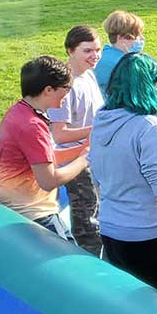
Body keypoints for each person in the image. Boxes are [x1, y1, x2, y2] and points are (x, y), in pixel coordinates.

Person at [90, 52, 157, 292]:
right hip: (150, 237)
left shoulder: (103, 121)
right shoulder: (149, 129)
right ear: (147, 87)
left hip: (112, 232)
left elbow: (96, 177)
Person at [0, 56, 90, 242]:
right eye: (66, 89)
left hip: (14, 206)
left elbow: (44, 159)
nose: (68, 94)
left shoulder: (18, 112)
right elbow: (49, 180)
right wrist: (85, 159)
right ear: (48, 90)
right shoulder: (32, 126)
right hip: (34, 213)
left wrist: (82, 149)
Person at [47, 25, 104, 256]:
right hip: (75, 160)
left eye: (98, 50)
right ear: (70, 51)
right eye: (87, 51)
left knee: (99, 211)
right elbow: (59, 134)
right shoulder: (64, 87)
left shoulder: (88, 75)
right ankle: (90, 262)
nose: (95, 56)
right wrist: (97, 129)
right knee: (86, 221)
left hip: (94, 153)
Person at [97, 10, 146, 92]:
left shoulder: (106, 53)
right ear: (121, 38)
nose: (142, 39)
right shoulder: (123, 63)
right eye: (137, 35)